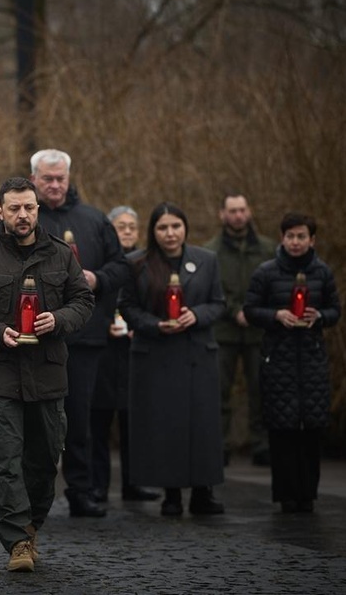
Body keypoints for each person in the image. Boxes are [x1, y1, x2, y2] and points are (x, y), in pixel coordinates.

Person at [0, 177, 94, 572]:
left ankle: (30, 527)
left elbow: (84, 300)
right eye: (14, 208)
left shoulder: (62, 255)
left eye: (29, 207)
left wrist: (59, 319)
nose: (23, 215)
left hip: (48, 372)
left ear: (38, 209)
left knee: (46, 459)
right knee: (7, 460)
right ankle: (17, 541)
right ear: (0, 211)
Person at [30, 149, 130, 518]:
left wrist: (97, 279)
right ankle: (32, 495)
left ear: (69, 179)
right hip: (34, 339)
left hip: (85, 338)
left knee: (80, 420)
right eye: (47, 179)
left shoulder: (94, 220)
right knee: (37, 421)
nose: (55, 186)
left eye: (61, 179)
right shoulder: (24, 218)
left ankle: (81, 489)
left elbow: (121, 267)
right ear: (34, 179)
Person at [118, 202, 226, 517]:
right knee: (165, 426)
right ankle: (172, 493)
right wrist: (155, 324)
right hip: (156, 355)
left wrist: (198, 314)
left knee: (201, 427)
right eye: (163, 227)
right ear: (153, 231)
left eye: (176, 226)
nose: (170, 233)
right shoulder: (136, 263)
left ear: (185, 228)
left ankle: (204, 492)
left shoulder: (206, 260)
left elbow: (218, 303)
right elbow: (127, 307)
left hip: (197, 354)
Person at [243, 213, 341, 513]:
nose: (295, 242)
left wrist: (320, 317)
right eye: (290, 236)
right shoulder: (266, 272)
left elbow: (335, 309)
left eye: (301, 236)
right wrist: (276, 316)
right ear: (282, 238)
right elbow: (250, 310)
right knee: (282, 430)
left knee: (311, 430)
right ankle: (285, 494)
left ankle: (307, 494)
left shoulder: (322, 273)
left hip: (311, 361)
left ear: (312, 240)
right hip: (279, 360)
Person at [89, 206, 159, 504]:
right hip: (103, 352)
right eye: (121, 225)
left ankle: (135, 483)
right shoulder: (101, 261)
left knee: (135, 422)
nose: (128, 231)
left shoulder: (147, 263)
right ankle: (97, 485)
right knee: (98, 421)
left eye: (132, 225)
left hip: (135, 351)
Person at [204, 192, 276, 467]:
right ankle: (220, 445)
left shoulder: (268, 249)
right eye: (232, 210)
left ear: (249, 211)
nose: (237, 215)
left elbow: (273, 285)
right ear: (222, 214)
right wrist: (235, 310)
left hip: (259, 331)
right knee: (220, 390)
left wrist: (256, 311)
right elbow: (210, 289)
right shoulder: (211, 251)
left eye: (242, 209)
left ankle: (261, 444)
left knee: (261, 388)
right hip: (224, 331)